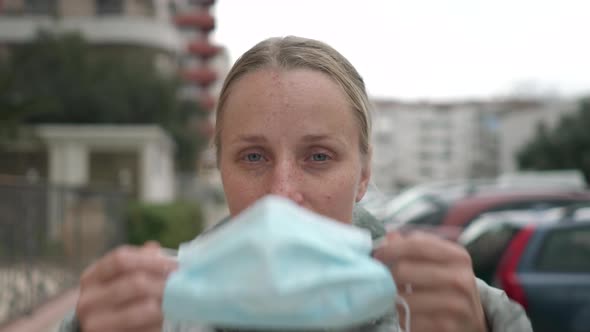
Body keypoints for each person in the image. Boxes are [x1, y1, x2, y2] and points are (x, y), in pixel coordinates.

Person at [59, 36, 531, 332]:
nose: (283, 193)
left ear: (363, 174)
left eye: (319, 157)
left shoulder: (454, 307)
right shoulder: (146, 309)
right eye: (254, 156)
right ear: (220, 167)